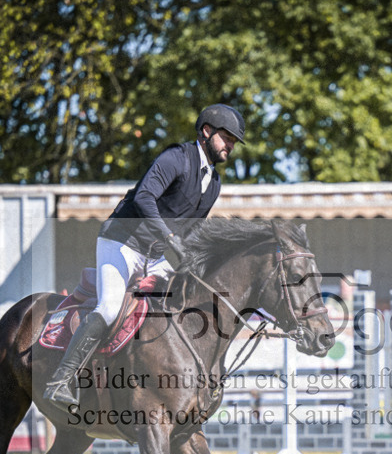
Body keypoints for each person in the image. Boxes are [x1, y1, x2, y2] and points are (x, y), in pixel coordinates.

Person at [44, 103, 247, 406]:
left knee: (180, 305)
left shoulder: (213, 183)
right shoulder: (176, 158)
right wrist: (168, 238)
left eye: (233, 140)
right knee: (111, 306)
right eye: (227, 137)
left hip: (156, 255)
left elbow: (192, 230)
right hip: (123, 241)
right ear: (206, 131)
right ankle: (61, 380)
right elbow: (143, 197)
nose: (230, 145)